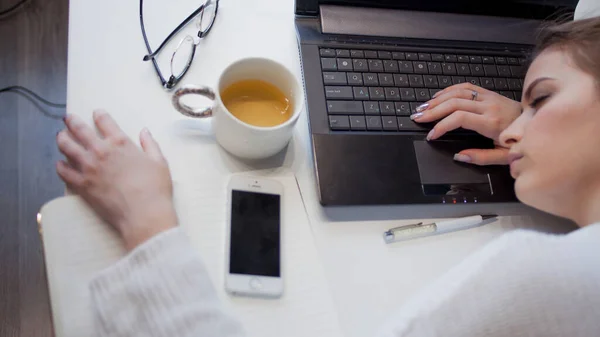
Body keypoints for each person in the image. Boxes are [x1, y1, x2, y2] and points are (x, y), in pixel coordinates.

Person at [55, 14, 600, 337]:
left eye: (542, 99)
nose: (509, 132)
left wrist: (146, 223)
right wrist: (544, 136)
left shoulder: (538, 273)